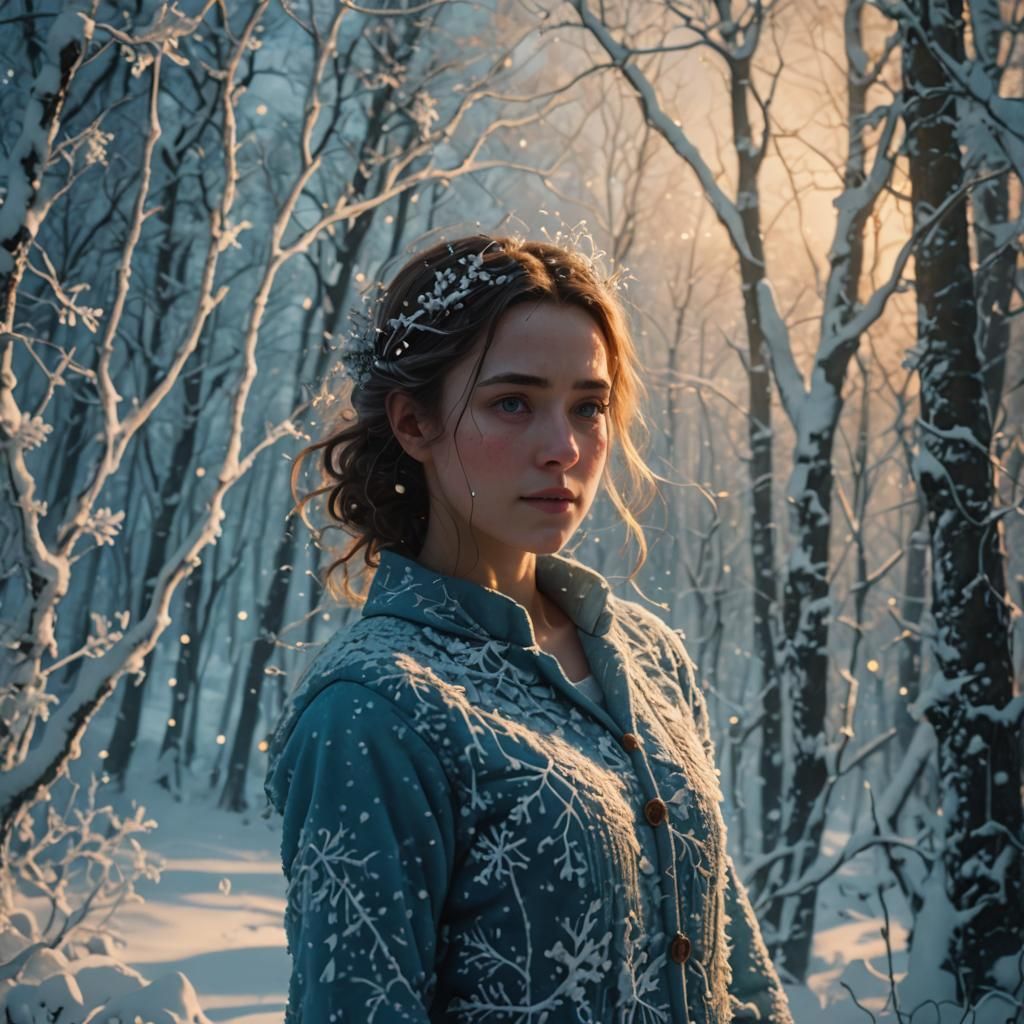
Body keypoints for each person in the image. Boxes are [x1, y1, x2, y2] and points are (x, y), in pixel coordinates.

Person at [264, 234, 793, 1023]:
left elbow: (731, 964)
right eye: (513, 402)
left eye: (589, 407)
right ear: (414, 422)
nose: (564, 449)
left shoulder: (648, 656)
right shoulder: (373, 710)